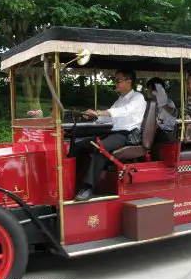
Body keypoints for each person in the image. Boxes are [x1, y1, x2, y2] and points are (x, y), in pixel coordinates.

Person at [72, 69, 147, 201]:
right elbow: (109, 119)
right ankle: (72, 182)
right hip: (114, 133)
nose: (115, 83)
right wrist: (92, 117)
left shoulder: (138, 98)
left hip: (127, 135)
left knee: (101, 149)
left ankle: (89, 187)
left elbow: (124, 111)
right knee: (79, 146)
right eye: (115, 80)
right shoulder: (120, 100)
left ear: (129, 82)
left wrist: (99, 112)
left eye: (118, 80)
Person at [146, 77, 177, 142]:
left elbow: (162, 124)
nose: (147, 91)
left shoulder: (168, 103)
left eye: (148, 89)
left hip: (165, 133)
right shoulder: (149, 103)